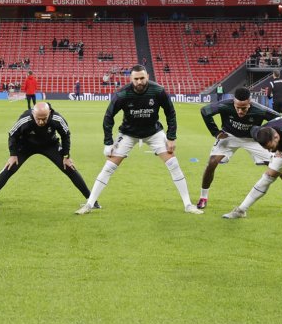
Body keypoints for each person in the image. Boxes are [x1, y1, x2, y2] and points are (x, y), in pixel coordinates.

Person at [76, 65, 202, 215]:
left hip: (153, 132)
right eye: (136, 79)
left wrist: (171, 137)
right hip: (128, 133)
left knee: (173, 164)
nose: (139, 81)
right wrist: (108, 142)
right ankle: (89, 205)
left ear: (147, 76)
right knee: (109, 167)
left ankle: (188, 205)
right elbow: (108, 117)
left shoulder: (158, 90)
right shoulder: (122, 94)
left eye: (142, 78)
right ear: (131, 79)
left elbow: (170, 113)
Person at [197, 88, 282, 212]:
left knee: (277, 167)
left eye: (244, 108)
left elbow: (280, 120)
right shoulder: (225, 105)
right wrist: (215, 132)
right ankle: (203, 197)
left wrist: (279, 146)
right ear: (233, 103)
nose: (240, 111)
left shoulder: (260, 110)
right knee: (212, 162)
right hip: (229, 136)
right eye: (237, 107)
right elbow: (205, 111)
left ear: (250, 103)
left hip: (254, 139)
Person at [0, 102, 93, 211]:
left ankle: (91, 200)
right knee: (10, 167)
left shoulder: (57, 119)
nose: (41, 122)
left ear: (49, 113)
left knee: (69, 167)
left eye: (44, 118)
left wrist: (66, 155)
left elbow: (66, 135)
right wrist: (13, 155)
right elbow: (12, 134)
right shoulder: (25, 119)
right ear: (33, 114)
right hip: (26, 145)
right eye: (38, 118)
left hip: (50, 145)